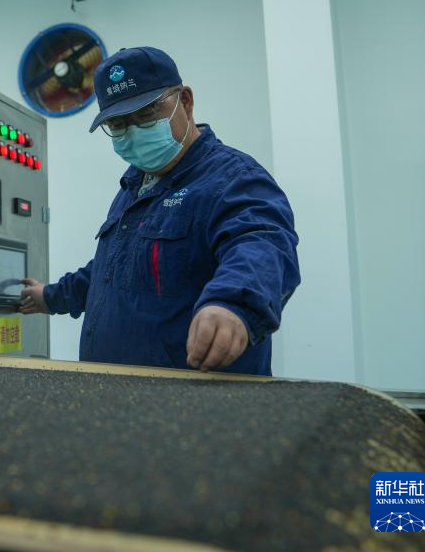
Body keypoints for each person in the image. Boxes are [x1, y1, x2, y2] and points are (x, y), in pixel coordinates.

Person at [19, 47, 300, 375]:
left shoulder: (232, 179)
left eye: (146, 114)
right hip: (112, 391)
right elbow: (110, 271)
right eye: (118, 124)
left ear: (186, 101)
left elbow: (261, 243)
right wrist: (50, 296)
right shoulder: (134, 184)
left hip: (193, 398)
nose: (133, 132)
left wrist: (233, 305)